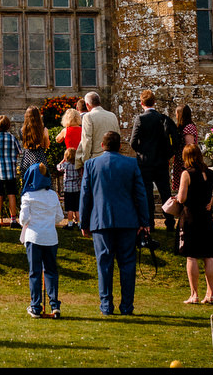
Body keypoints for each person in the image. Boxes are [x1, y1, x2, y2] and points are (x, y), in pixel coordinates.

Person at [80, 131, 151, 316]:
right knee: (127, 264)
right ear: (120, 146)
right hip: (127, 220)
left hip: (100, 219)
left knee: (104, 264)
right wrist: (144, 221)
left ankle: (106, 305)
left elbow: (85, 195)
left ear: (102, 146)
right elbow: (141, 194)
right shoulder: (131, 163)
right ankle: (127, 306)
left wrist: (84, 222)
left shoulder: (91, 164)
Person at [176, 143, 213, 305]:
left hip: (190, 216)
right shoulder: (210, 173)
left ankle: (194, 294)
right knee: (209, 255)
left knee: (192, 256)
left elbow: (181, 199)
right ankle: (210, 293)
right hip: (206, 217)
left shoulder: (186, 174)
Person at [20, 163, 66, 318]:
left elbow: (23, 219)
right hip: (51, 238)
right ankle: (55, 305)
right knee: (51, 271)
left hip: (33, 237)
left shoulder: (28, 196)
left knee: (35, 272)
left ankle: (35, 306)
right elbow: (60, 217)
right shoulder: (53, 195)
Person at [130, 90, 175, 231]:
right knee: (165, 192)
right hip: (161, 161)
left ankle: (150, 223)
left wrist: (141, 151)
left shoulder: (140, 119)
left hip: (145, 162)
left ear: (141, 103)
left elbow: (132, 141)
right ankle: (169, 221)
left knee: (147, 193)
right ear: (154, 102)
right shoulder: (163, 118)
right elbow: (175, 139)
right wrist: (168, 154)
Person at [79, 92, 120, 166]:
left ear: (87, 105)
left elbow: (87, 140)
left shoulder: (88, 116)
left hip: (96, 159)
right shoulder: (112, 115)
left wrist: (85, 160)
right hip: (114, 158)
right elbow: (118, 136)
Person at [170, 105, 199, 195]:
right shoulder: (184, 127)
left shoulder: (188, 127)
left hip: (186, 162)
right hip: (181, 161)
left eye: (177, 114)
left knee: (186, 189)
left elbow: (189, 147)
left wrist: (187, 165)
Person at [20, 106, 51, 179]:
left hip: (27, 158)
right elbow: (46, 145)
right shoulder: (43, 129)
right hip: (40, 158)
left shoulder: (22, 130)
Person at [57, 147, 81, 229]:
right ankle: (79, 224)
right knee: (77, 208)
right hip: (77, 189)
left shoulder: (65, 165)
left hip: (68, 190)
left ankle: (70, 224)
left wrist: (63, 160)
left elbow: (58, 167)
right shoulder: (77, 165)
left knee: (70, 208)